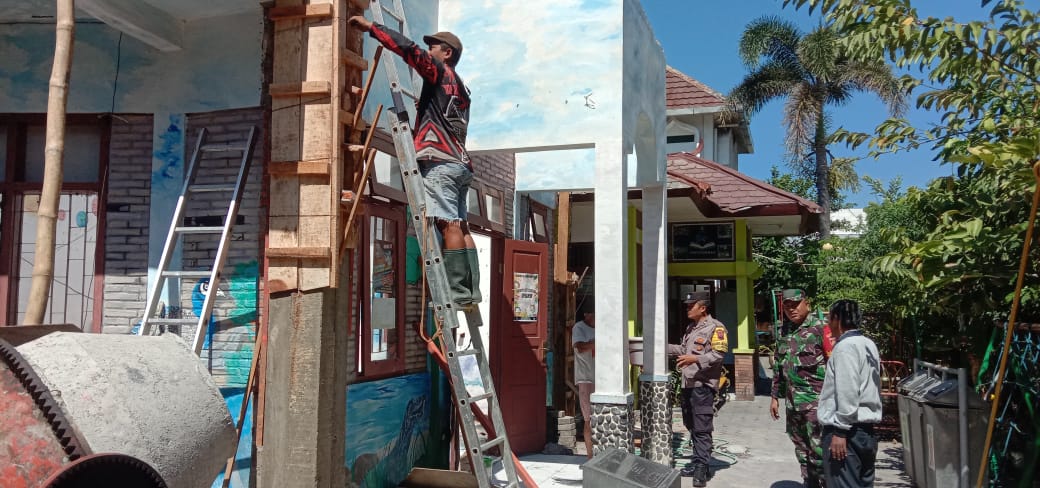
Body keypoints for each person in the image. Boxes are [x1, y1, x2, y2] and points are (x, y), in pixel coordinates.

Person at [347, 15, 479, 307]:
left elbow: (410, 52)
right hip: (459, 163)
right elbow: (445, 115)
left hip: (440, 162)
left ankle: (456, 293)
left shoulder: (441, 72)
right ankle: (470, 291)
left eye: (435, 48)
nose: (429, 51)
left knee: (448, 225)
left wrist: (373, 28)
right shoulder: (461, 88)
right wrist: (425, 108)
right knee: (461, 226)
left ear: (447, 54)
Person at [667, 291, 728, 487]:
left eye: (691, 305)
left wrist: (696, 359)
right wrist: (659, 347)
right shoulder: (691, 328)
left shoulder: (716, 328)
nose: (687, 308)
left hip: (703, 386)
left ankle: (702, 468)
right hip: (688, 385)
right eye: (687, 305)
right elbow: (683, 351)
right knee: (691, 425)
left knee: (702, 428)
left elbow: (718, 355)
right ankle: (698, 461)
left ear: (703, 308)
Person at [818, 299, 882, 487]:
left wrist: (840, 431)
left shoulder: (845, 347)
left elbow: (848, 390)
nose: (828, 323)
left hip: (848, 433)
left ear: (836, 319)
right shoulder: (868, 344)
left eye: (829, 318)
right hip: (865, 432)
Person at [770, 288, 829, 488]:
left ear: (807, 304)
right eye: (787, 306)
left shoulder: (822, 329)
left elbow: (836, 366)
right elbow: (779, 366)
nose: (791, 310)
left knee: (819, 448)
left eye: (795, 305)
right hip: (793, 402)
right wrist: (774, 397)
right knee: (800, 445)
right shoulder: (784, 331)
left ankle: (826, 481)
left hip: (817, 403)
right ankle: (809, 481)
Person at [571, 304, 595, 459]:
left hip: (601, 378)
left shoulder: (601, 328)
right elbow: (579, 347)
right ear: (587, 314)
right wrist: (599, 343)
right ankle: (590, 456)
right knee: (589, 420)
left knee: (598, 419)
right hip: (586, 378)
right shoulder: (579, 328)